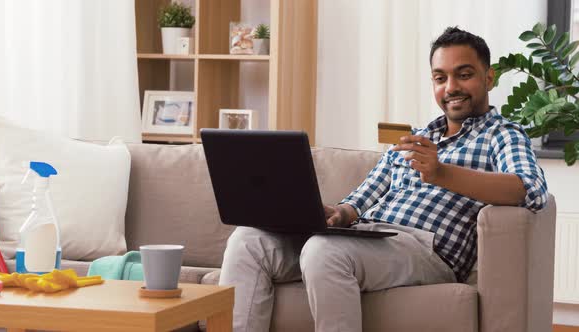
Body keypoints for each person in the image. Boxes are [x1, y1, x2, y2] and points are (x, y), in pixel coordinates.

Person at [219, 26, 549, 332]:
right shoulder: (414, 138)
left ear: (489, 78)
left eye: (464, 75)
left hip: (427, 250)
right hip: (369, 238)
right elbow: (362, 198)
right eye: (440, 77)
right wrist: (339, 214)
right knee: (248, 241)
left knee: (324, 251)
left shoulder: (502, 135)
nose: (451, 88)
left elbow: (530, 191)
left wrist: (440, 173)